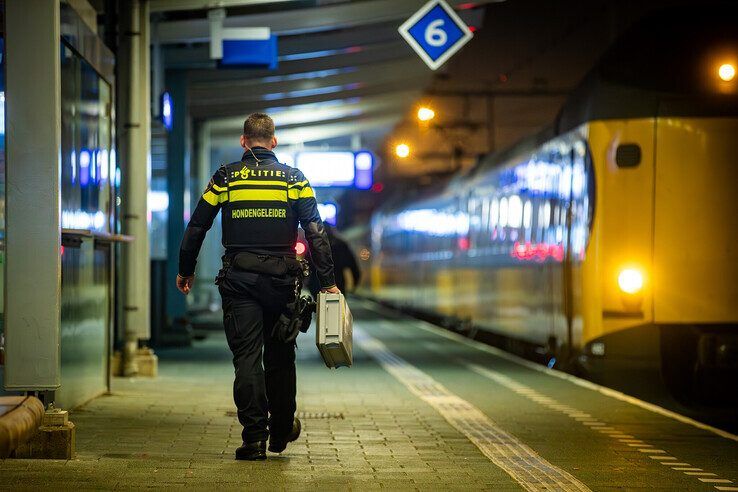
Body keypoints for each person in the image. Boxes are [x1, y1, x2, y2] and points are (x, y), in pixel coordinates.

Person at [176, 113, 339, 461]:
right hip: (283, 283)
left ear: (243, 141)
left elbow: (197, 227)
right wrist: (328, 284)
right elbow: (316, 232)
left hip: (240, 282)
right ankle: (280, 431)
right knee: (281, 357)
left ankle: (254, 441)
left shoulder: (226, 178)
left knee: (247, 358)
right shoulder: (295, 179)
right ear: (274, 142)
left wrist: (185, 270)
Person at [308, 226, 362, 296]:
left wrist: (307, 283)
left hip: (317, 285)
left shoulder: (314, 243)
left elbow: (308, 264)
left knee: (318, 305)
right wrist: (355, 284)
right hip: (337, 284)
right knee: (337, 305)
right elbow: (353, 265)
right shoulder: (340, 244)